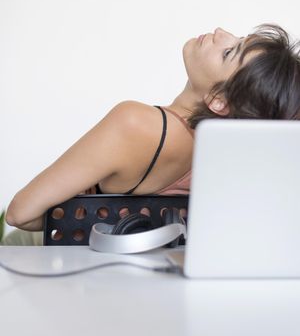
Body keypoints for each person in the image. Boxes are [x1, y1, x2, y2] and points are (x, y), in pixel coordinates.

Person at [5, 24, 300, 240]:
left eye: (228, 51)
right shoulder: (226, 159)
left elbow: (21, 213)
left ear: (219, 101)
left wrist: (82, 215)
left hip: (40, 261)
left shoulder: (137, 124)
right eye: (237, 38)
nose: (220, 31)